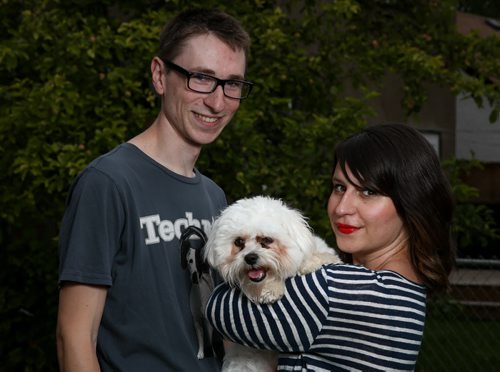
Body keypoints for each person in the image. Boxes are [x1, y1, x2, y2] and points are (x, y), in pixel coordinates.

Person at [56, 8, 252, 372]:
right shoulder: (109, 182)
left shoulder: (215, 196)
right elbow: (75, 337)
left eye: (233, 84)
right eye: (201, 78)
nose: (217, 101)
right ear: (160, 75)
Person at [207, 123, 455, 371]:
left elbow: (219, 310)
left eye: (368, 191)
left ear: (410, 201)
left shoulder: (335, 288)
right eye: (339, 187)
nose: (341, 207)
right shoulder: (407, 291)